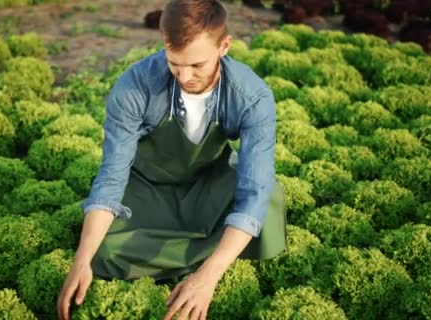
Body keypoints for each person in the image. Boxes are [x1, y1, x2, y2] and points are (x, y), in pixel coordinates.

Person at [57, 1, 286, 319]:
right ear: (164, 44)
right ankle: (218, 248)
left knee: (270, 197)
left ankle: (198, 260)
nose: (184, 76)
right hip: (147, 188)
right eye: (174, 63)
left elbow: (254, 190)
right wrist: (81, 260)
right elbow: (112, 178)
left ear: (224, 46)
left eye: (197, 65)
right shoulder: (135, 86)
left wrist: (208, 278)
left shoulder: (253, 96)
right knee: (101, 252)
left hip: (208, 184)